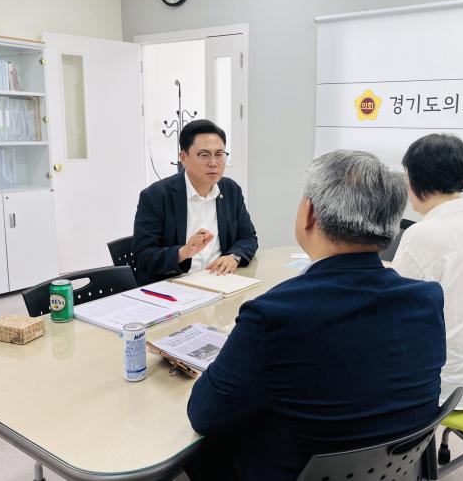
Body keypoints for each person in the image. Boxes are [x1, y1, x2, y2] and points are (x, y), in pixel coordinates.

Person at [185, 150, 446, 481]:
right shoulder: (427, 299)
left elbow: (204, 414)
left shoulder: (273, 316)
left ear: (308, 213)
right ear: (391, 226)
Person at [392, 133, 463, 410]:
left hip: (445, 385)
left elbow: (393, 311)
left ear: (418, 180)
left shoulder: (422, 234)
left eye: (407, 177)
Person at [132, 119, 257, 286]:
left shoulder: (230, 190)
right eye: (204, 155)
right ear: (183, 157)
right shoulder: (156, 196)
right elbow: (143, 257)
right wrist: (183, 252)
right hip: (175, 285)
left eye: (219, 154)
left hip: (220, 280)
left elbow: (248, 237)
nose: (213, 163)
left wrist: (233, 256)